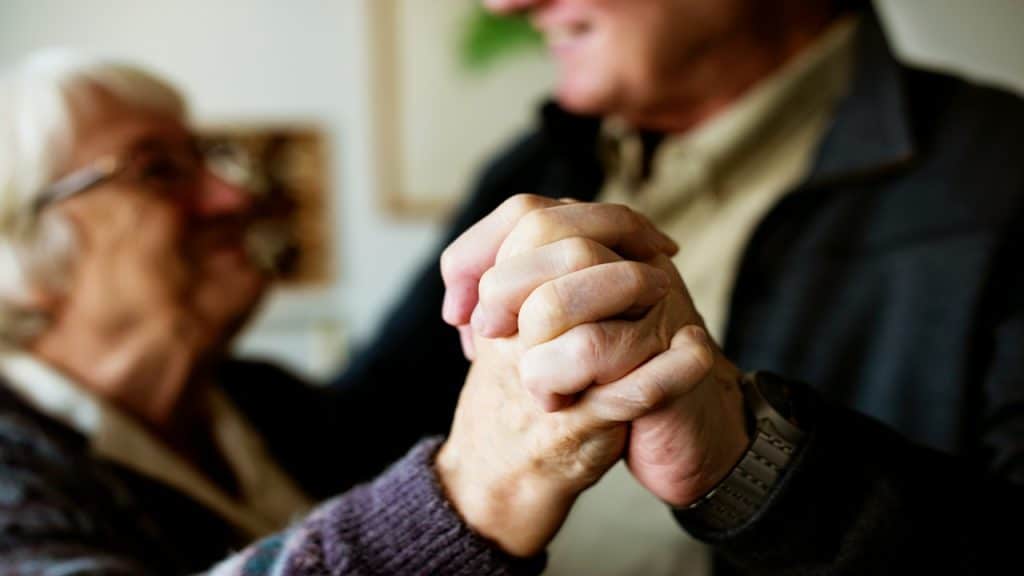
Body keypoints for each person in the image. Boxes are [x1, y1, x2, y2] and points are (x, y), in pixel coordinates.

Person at [333, 0, 1024, 574]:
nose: (507, 5)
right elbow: (359, 439)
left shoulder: (1002, 175)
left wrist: (755, 467)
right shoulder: (536, 162)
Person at [0, 50, 709, 575]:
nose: (234, 197)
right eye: (158, 170)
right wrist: (474, 490)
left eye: (207, 158)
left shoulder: (263, 403)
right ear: (22, 253)